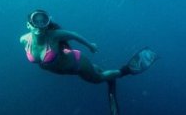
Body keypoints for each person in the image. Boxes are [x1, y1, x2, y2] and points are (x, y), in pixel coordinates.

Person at [20, 9, 156, 84]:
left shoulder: (54, 35)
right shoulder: (23, 40)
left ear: (47, 23)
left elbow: (73, 35)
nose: (38, 25)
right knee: (95, 71)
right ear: (28, 24)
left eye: (42, 21)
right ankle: (97, 69)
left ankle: (125, 70)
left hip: (77, 64)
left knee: (97, 79)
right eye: (35, 22)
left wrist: (90, 46)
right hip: (65, 66)